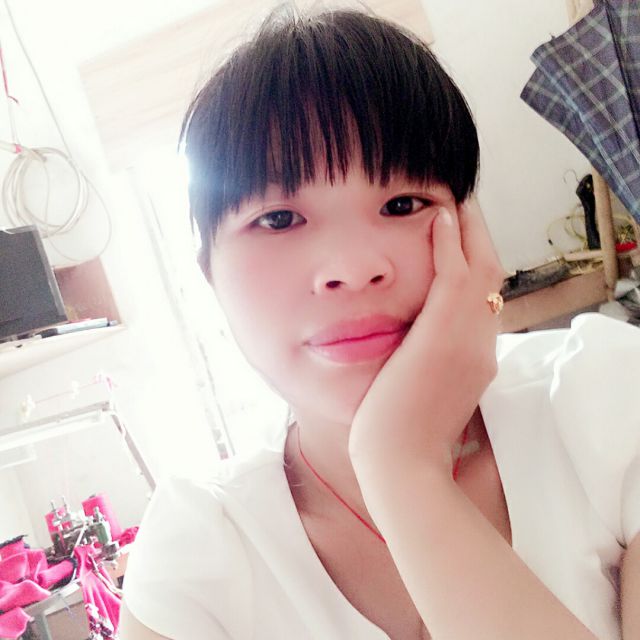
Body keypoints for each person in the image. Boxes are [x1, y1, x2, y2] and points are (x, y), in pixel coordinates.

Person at [119, 5, 640, 640]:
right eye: (278, 219)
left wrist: (403, 466)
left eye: (402, 203)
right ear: (209, 271)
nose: (352, 268)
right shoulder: (196, 553)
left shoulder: (609, 400)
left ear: (471, 230)